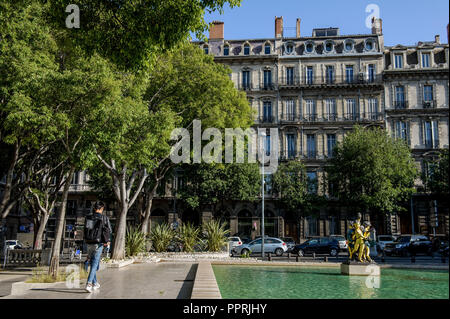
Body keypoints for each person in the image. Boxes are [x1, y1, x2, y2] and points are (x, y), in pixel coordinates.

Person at [84, 201, 112, 293]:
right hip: (98, 243)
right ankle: (89, 284)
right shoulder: (104, 218)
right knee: (95, 264)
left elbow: (88, 229)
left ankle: (95, 283)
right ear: (101, 208)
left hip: (88, 243)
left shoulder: (88, 217)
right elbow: (109, 230)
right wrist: (107, 241)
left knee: (93, 263)